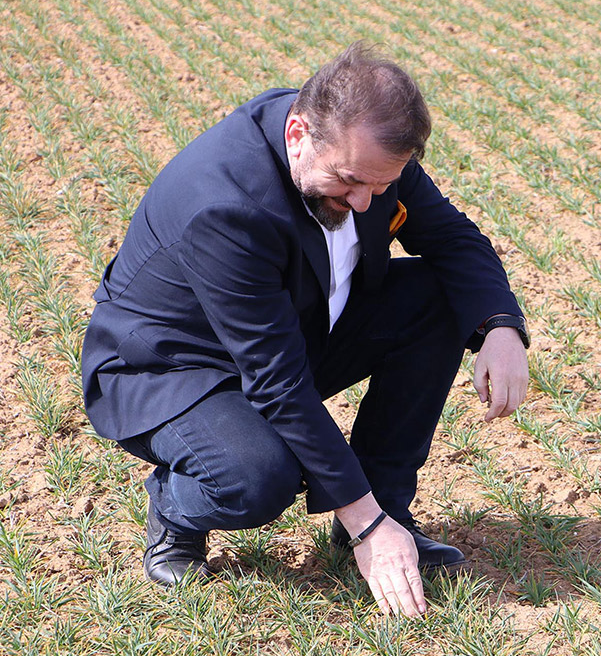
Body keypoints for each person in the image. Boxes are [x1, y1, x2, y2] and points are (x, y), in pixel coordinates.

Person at [80, 42, 529, 618]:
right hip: (172, 368)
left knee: (442, 298)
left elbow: (454, 240)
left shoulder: (366, 154)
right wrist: (365, 524)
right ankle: (175, 509)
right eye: (349, 182)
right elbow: (279, 382)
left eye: (380, 185)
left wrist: (500, 328)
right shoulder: (226, 205)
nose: (365, 201)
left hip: (296, 329)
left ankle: (386, 508)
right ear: (298, 134)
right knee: (258, 476)